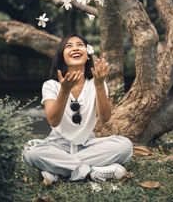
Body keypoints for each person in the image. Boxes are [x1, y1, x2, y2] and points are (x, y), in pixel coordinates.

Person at [22, 33, 133, 183]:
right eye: (69, 46)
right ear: (62, 57)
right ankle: (90, 171)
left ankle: (57, 170)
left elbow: (105, 118)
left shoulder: (97, 82)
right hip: (58, 145)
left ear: (87, 55)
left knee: (125, 146)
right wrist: (65, 90)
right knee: (31, 153)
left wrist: (99, 85)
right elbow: (53, 121)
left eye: (80, 45)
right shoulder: (51, 85)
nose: (75, 48)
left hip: (88, 145)